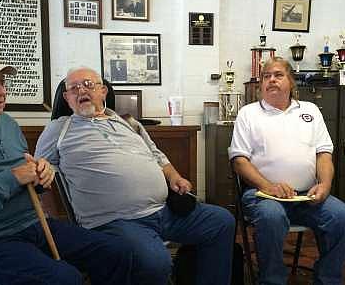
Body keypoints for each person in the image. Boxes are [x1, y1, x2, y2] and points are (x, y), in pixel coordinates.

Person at [0, 48, 133, 285]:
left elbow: (25, 179)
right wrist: (13, 178)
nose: (1, 90)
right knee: (64, 278)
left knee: (117, 251)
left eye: (2, 81)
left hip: (32, 225)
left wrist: (41, 176)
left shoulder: (7, 124)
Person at [35, 67, 235, 285]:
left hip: (164, 211)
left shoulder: (128, 123)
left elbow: (158, 156)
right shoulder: (58, 129)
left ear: (103, 91)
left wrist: (174, 176)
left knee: (221, 221)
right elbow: (42, 175)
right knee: (155, 262)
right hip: (114, 221)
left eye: (88, 84)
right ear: (66, 98)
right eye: (74, 88)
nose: (81, 90)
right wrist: (53, 220)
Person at [228, 57, 345, 285]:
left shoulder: (310, 110)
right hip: (262, 195)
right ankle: (272, 280)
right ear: (261, 85)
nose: (271, 80)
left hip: (306, 195)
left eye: (278, 75)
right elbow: (239, 161)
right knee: (271, 216)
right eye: (266, 76)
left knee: (343, 217)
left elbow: (324, 154)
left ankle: (327, 279)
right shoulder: (249, 113)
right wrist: (269, 186)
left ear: (291, 82)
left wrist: (325, 185)